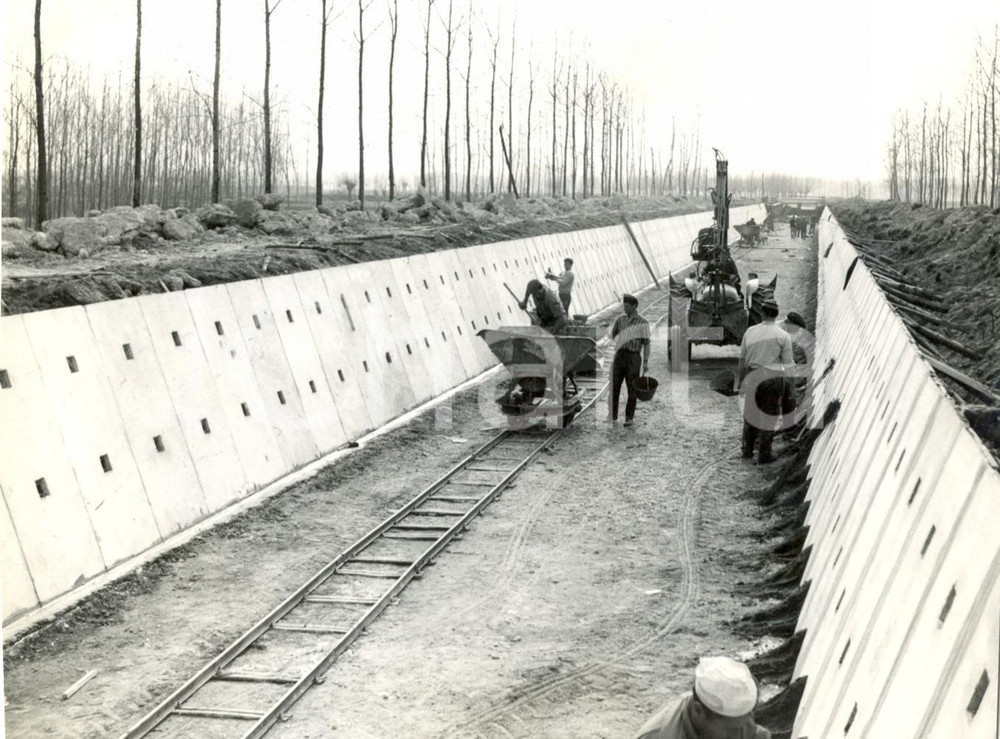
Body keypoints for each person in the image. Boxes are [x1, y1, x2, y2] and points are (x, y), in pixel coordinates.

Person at [635, 656, 771, 739]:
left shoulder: (741, 726)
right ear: (698, 711)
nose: (739, 735)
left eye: (744, 724)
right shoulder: (658, 736)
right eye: (731, 730)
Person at [735, 299, 794, 464]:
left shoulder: (750, 332)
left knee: (750, 414)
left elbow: (742, 361)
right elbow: (788, 366)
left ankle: (746, 451)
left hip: (753, 376)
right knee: (769, 416)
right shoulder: (783, 336)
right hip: (773, 379)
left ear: (762, 313)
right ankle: (764, 453)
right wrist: (791, 388)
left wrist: (740, 383)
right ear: (776, 315)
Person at [608, 294, 650, 427]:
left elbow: (647, 344)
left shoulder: (643, 323)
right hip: (620, 356)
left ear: (634, 306)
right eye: (623, 306)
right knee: (614, 386)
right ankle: (612, 415)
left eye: (627, 306)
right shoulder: (620, 320)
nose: (624, 308)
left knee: (632, 388)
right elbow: (612, 335)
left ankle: (629, 417)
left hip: (633, 357)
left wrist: (646, 362)